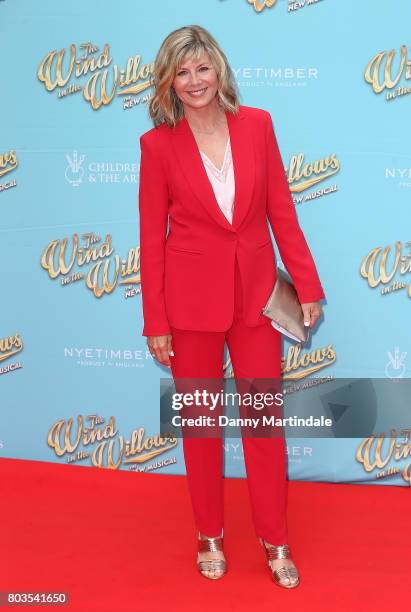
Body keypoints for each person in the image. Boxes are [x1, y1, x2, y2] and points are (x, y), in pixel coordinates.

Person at [138, 25, 325, 587]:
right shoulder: (156, 145)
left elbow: (281, 212)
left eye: (203, 68)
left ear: (219, 70)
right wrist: (156, 321)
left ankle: (276, 540)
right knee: (200, 426)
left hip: (256, 301)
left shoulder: (258, 125)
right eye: (182, 71)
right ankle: (210, 535)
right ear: (169, 80)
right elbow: (150, 240)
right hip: (190, 305)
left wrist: (309, 287)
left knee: (264, 425)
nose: (195, 81)